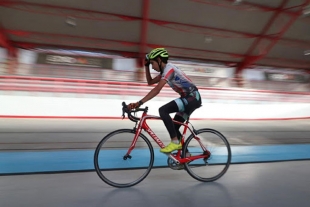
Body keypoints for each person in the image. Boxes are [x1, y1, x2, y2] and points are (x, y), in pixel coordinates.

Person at [128, 48, 202, 154]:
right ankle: (186, 155)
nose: (152, 67)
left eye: (153, 63)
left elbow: (157, 89)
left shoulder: (169, 69)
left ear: (159, 60)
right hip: (189, 98)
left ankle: (175, 142)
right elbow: (150, 82)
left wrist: (139, 103)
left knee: (163, 110)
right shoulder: (164, 72)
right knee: (174, 128)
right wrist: (146, 65)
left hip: (192, 97)